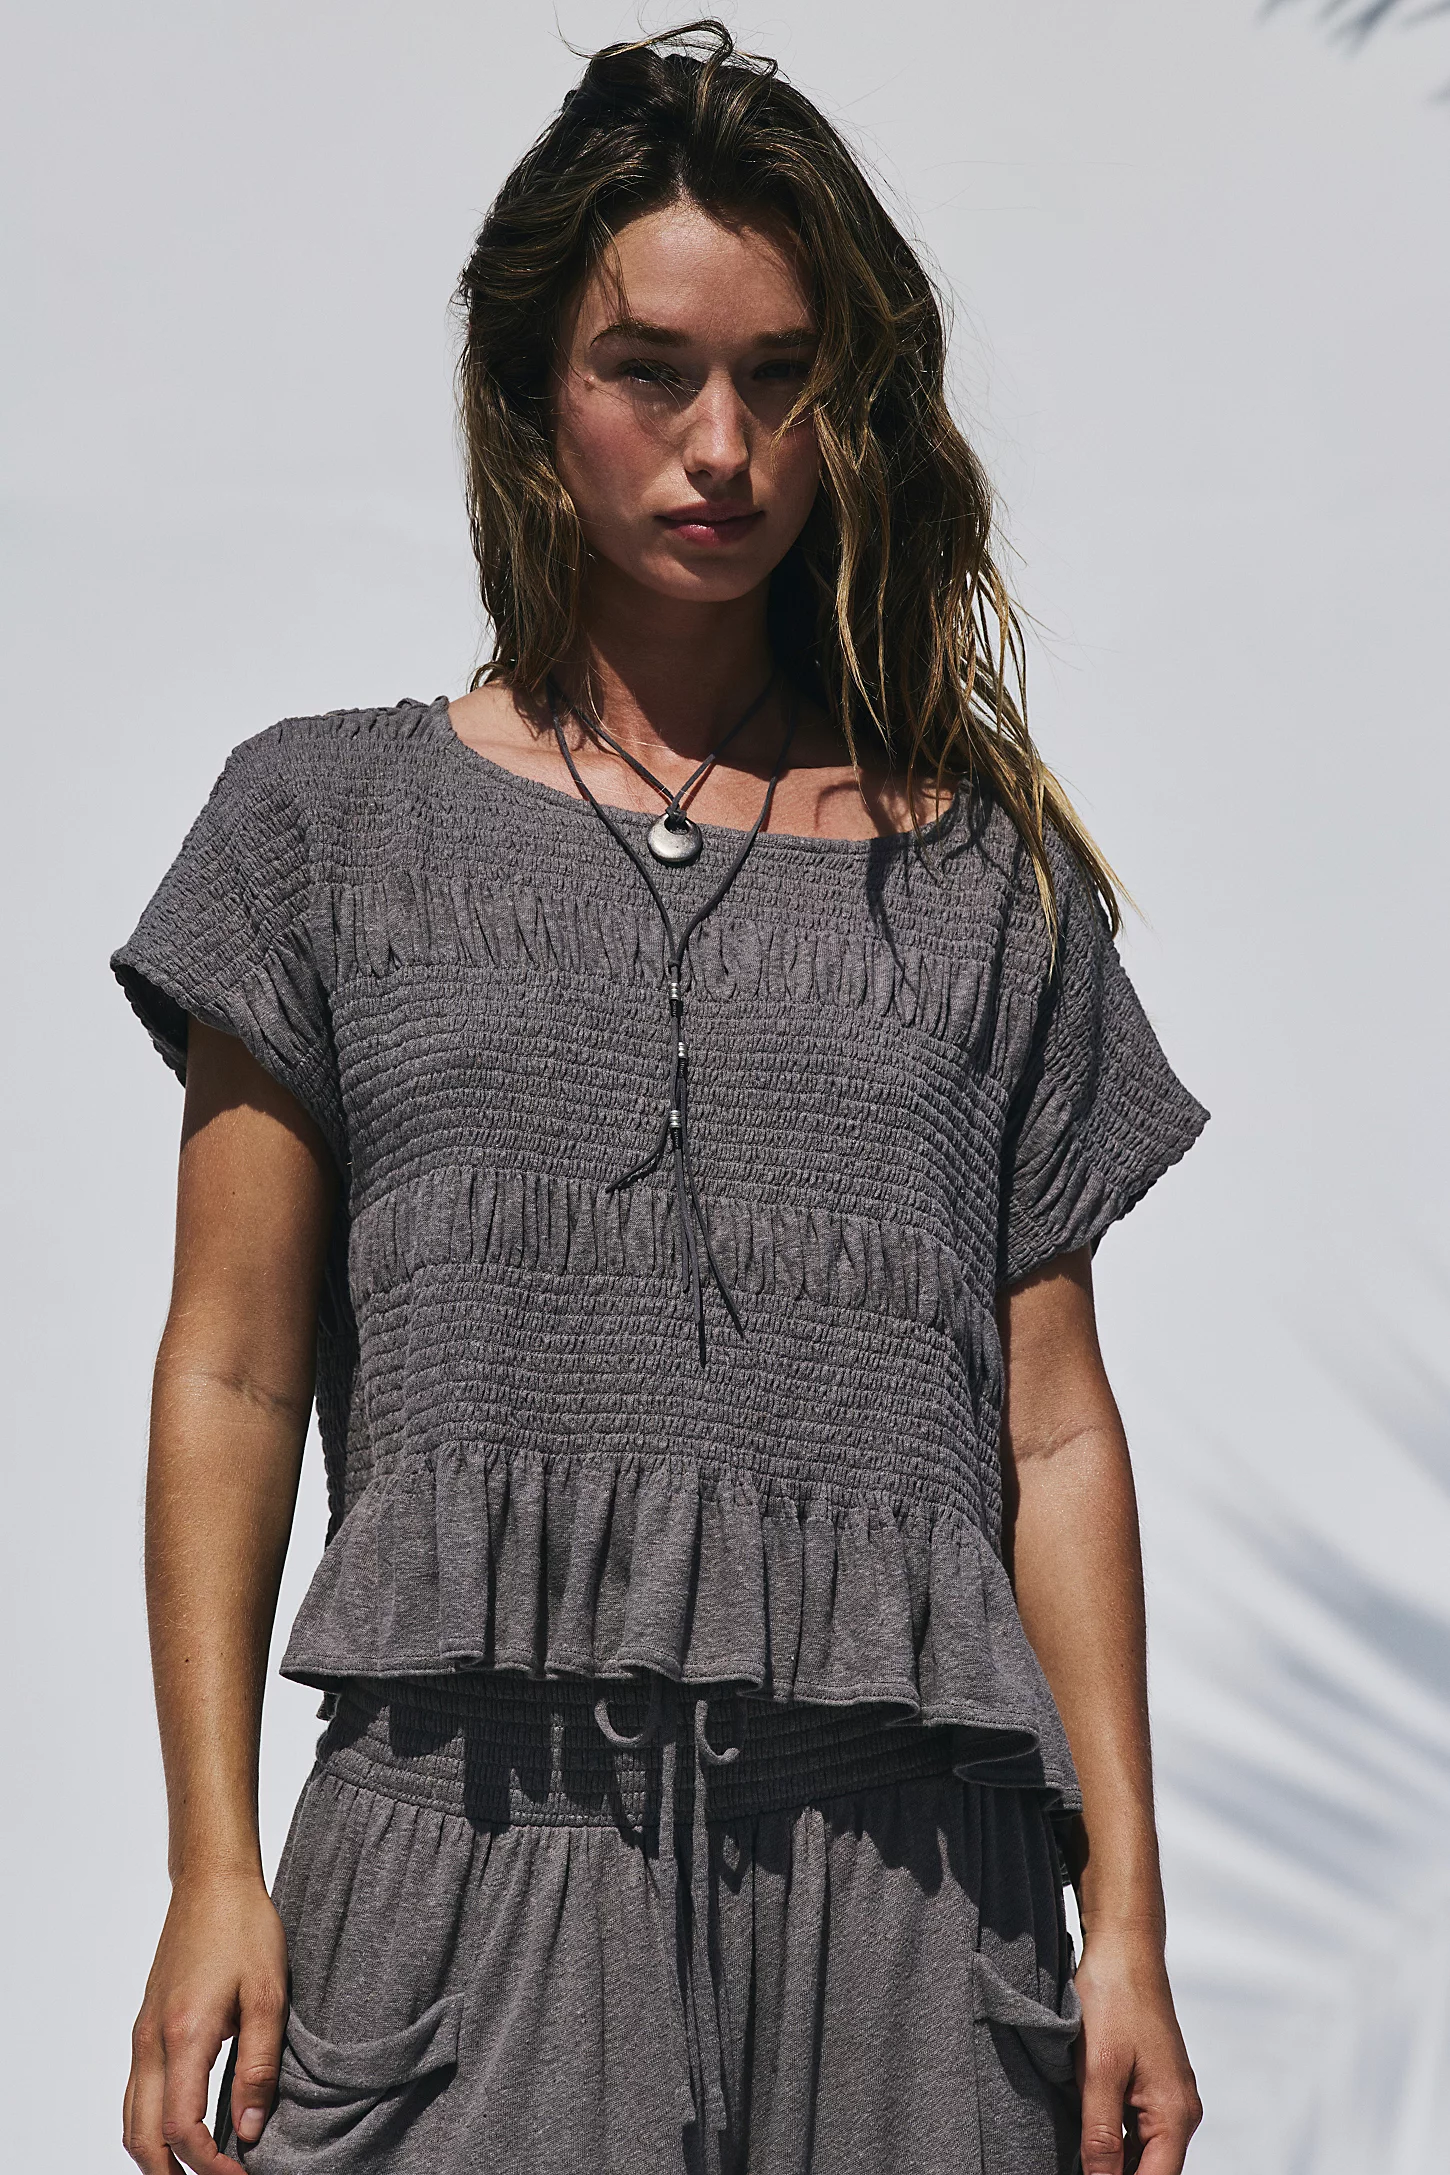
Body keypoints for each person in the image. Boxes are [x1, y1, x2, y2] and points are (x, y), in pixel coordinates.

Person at [115, 23, 1207, 2175]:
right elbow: (230, 1368)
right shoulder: (320, 831)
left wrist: (1134, 1929)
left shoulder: (984, 885)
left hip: (916, 1908)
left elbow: (1052, 1425)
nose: (723, 445)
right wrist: (209, 1864)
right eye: (650, 370)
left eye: (782, 378)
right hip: (457, 1870)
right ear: (532, 385)